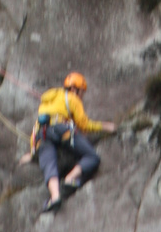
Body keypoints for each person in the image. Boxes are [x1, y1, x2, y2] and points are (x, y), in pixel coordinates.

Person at [20, 71, 116, 215]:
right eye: (81, 92)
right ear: (74, 89)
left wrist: (33, 152)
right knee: (92, 157)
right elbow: (84, 124)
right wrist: (105, 126)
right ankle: (70, 178)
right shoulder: (72, 98)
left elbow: (36, 129)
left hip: (43, 135)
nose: (81, 96)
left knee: (49, 165)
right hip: (62, 130)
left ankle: (55, 197)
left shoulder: (48, 101)